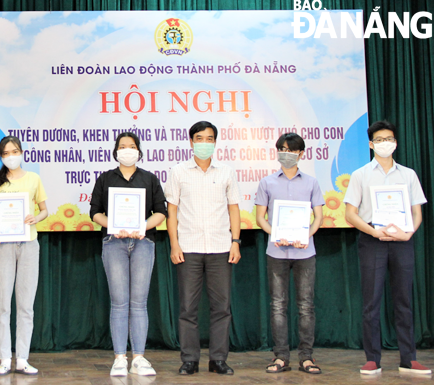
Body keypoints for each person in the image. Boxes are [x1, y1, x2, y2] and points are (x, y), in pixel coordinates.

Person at [344, 120, 431, 375]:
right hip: (372, 239)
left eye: (389, 138)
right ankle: (372, 359)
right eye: (380, 140)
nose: (385, 143)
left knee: (404, 299)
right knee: (371, 301)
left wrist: (409, 233)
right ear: (371, 144)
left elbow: (417, 212)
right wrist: (373, 231)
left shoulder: (408, 174)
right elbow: (350, 213)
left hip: (403, 240)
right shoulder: (361, 174)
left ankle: (409, 358)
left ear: (396, 142)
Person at [165, 121, 241, 376]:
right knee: (188, 308)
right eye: (200, 138)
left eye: (210, 139)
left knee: (222, 308)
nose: (205, 143)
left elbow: (233, 208)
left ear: (215, 143)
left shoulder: (227, 172)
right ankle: (189, 360)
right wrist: (174, 244)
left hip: (221, 247)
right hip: (188, 248)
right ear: (191, 142)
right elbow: (171, 211)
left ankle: (218, 359)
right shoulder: (178, 172)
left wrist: (235, 242)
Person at [90, 132, 167, 377]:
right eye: (122, 146)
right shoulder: (104, 179)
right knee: (119, 302)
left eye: (131, 146)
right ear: (115, 150)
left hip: (143, 243)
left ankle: (139, 358)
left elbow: (161, 212)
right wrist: (113, 224)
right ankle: (119, 358)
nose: (127, 150)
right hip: (114, 243)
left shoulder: (150, 179)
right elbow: (94, 213)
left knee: (139, 302)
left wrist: (140, 226)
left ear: (138, 150)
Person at [255, 133, 324, 375]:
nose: (286, 153)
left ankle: (306, 357)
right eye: (282, 149)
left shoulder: (312, 182)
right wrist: (275, 234)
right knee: (278, 306)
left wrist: (307, 235)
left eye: (291, 149)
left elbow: (319, 217)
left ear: (301, 154)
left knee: (306, 306)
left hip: (305, 252)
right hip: (276, 251)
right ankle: (281, 357)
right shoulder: (267, 182)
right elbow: (260, 218)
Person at [0, 136, 48, 376]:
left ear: (22, 152)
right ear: (1, 156)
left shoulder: (34, 179)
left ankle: (22, 358)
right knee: (2, 305)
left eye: (15, 151)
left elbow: (44, 210)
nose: (11, 156)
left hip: (29, 244)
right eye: (6, 152)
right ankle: (3, 359)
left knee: (26, 305)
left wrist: (35, 218)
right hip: (2, 246)